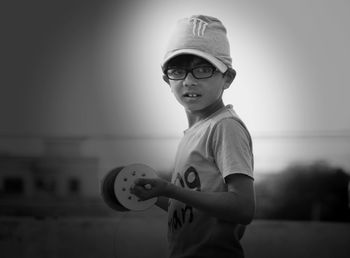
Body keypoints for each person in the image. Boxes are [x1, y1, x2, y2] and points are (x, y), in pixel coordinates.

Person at [131, 14, 255, 258]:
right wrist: (155, 193)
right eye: (178, 70)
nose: (189, 81)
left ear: (227, 78)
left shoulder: (224, 126)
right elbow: (192, 208)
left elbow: (243, 208)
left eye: (203, 69)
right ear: (167, 79)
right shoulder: (192, 134)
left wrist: (170, 188)